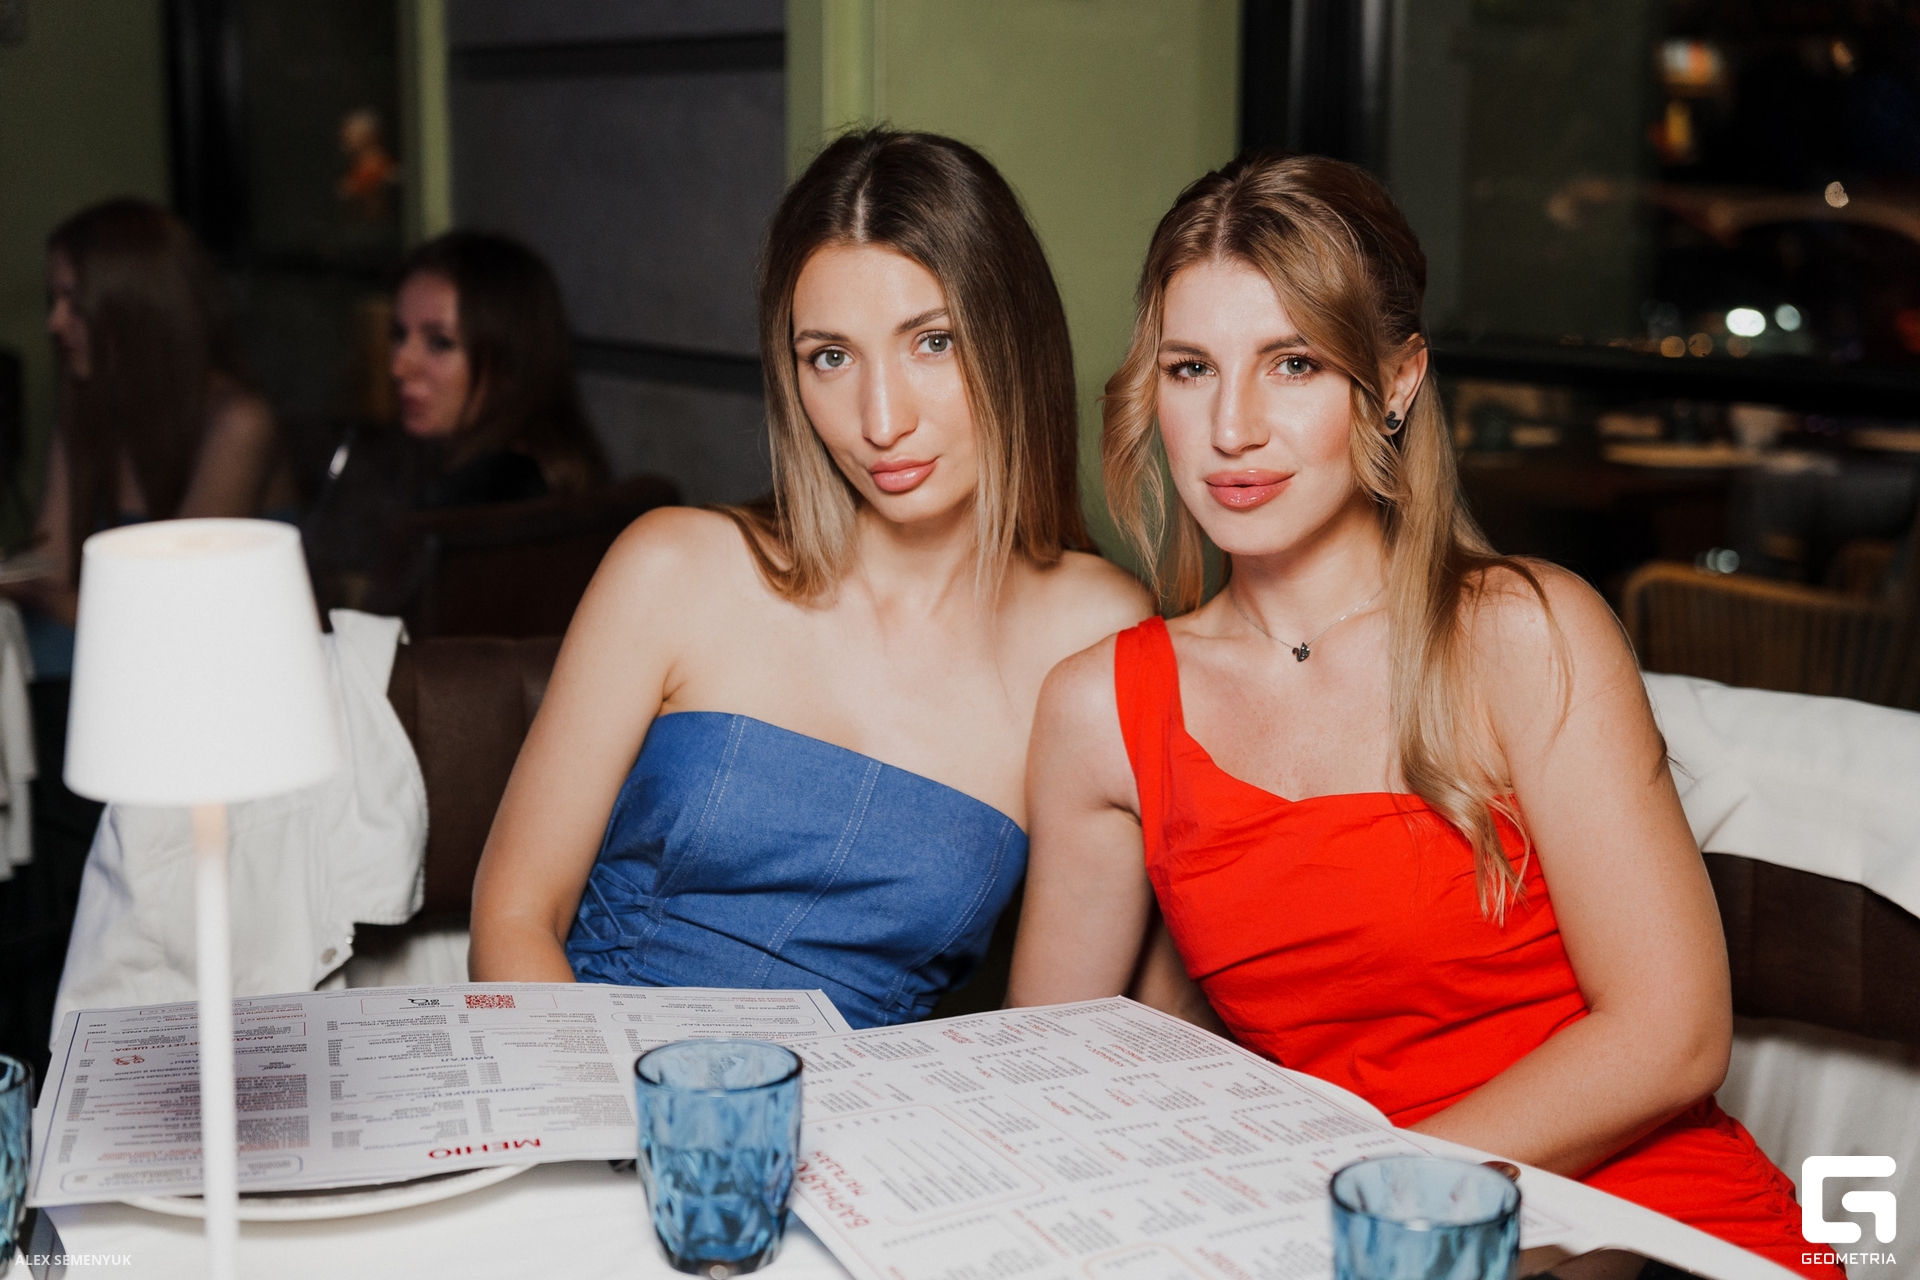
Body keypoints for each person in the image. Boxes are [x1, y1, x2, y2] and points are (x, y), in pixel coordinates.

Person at [1006, 152, 1826, 1277]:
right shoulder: (1100, 709)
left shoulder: (1524, 632)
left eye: (1294, 363)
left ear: (1396, 381)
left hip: (1630, 1222)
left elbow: (1671, 1036)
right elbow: (1052, 1079)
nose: (1232, 426)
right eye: (1191, 369)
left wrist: (1361, 1199)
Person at [467, 130, 1151, 1027]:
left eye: (933, 342)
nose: (881, 420)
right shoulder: (674, 568)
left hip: (873, 1109)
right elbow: (512, 920)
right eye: (831, 356)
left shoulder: (1097, 631)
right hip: (587, 1072)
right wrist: (621, 1108)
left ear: (1013, 337)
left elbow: (1060, 1024)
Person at [11, 197, 292, 676]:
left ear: (134, 305)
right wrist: (16, 575)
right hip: (114, 642)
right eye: (53, 301)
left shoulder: (239, 421)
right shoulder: (87, 401)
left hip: (213, 663)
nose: (53, 323)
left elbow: (174, 607)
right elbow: (51, 561)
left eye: (74, 303)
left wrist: (44, 596)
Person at [303, 229, 610, 612]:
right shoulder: (557, 467)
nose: (400, 366)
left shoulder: (486, 504)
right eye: (398, 335)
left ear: (510, 360)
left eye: (439, 342)